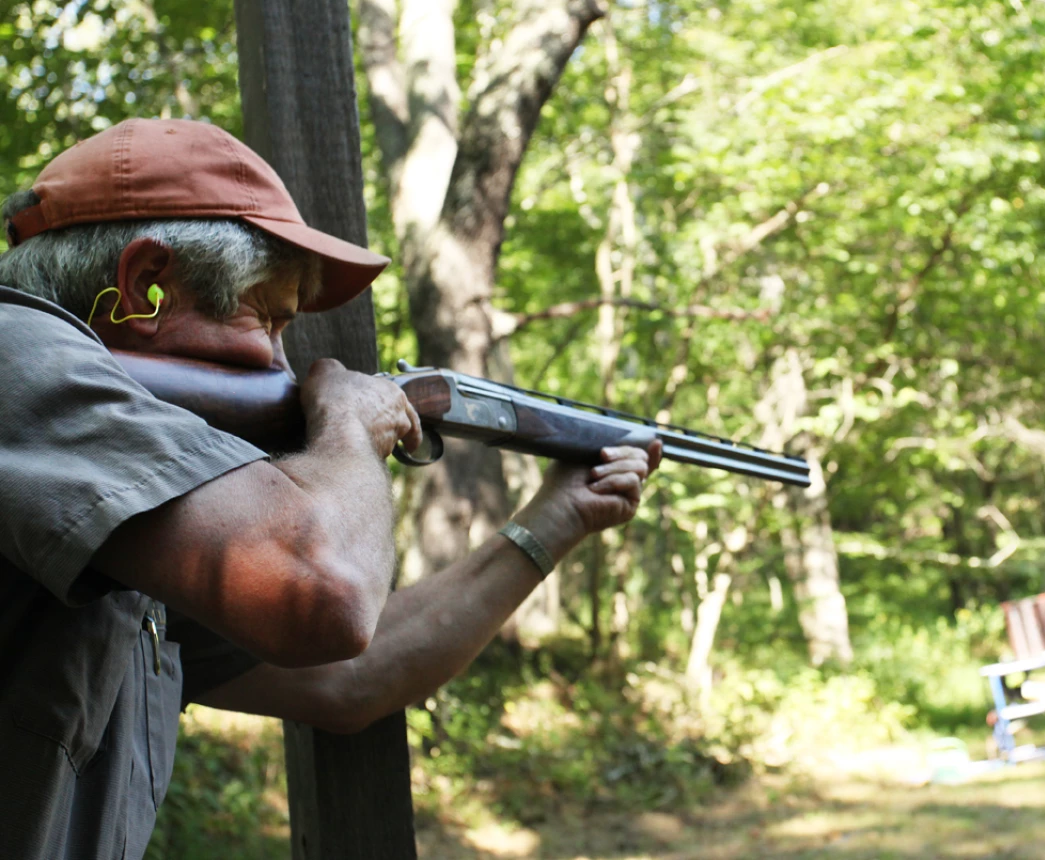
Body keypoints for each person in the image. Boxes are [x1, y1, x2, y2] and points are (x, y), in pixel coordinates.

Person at [0, 118, 661, 860]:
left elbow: (348, 679)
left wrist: (556, 518)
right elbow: (325, 598)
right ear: (143, 286)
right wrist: (353, 427)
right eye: (268, 318)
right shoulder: (12, 352)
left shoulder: (128, 509)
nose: (285, 372)